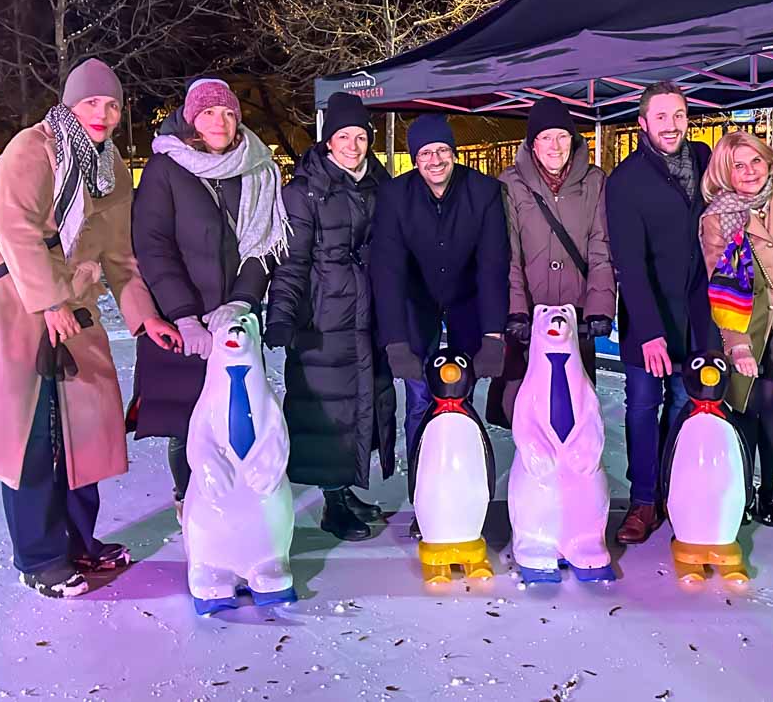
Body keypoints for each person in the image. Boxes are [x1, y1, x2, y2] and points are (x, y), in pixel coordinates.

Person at [0, 58, 180, 599]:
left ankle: (79, 539)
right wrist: (50, 301)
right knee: (28, 438)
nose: (103, 114)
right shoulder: (32, 148)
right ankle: (39, 558)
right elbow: (15, 229)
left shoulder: (114, 167)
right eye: (92, 103)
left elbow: (121, 257)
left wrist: (145, 317)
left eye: (113, 105)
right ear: (70, 104)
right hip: (13, 305)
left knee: (86, 426)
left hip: (71, 307)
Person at [130, 78, 289, 521]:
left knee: (239, 413)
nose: (219, 121)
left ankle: (242, 506)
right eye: (208, 113)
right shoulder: (166, 168)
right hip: (183, 320)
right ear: (190, 119)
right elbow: (153, 244)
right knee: (188, 419)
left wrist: (241, 301)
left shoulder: (258, 167)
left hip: (235, 318)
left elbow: (267, 244)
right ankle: (191, 503)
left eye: (227, 113)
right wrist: (184, 317)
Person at [369, 114, 510, 537]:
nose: (435, 159)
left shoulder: (483, 192)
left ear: (453, 153)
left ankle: (468, 496)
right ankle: (424, 500)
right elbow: (388, 270)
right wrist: (396, 341)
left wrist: (492, 335)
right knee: (419, 405)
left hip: (468, 306)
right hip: (417, 309)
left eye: (442, 151)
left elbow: (492, 265)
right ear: (414, 159)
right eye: (426, 153)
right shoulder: (396, 195)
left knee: (460, 404)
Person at [264, 92, 396, 541]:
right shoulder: (304, 192)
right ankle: (332, 503)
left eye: (360, 136)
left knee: (362, 405)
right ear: (329, 139)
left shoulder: (380, 184)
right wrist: (281, 313)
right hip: (323, 320)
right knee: (329, 413)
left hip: (369, 315)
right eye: (344, 136)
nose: (353, 145)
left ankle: (347, 490)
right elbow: (291, 261)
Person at [605, 81, 718, 545]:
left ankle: (676, 492)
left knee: (685, 405)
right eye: (662, 117)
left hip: (700, 315)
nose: (671, 125)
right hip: (648, 317)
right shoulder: (625, 181)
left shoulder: (708, 162)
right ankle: (644, 500)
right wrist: (650, 332)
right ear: (643, 123)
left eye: (679, 115)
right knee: (643, 407)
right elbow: (629, 265)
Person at [488, 98, 615, 428]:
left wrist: (599, 307)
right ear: (533, 143)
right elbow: (508, 252)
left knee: (574, 401)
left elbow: (601, 246)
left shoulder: (594, 182)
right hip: (531, 314)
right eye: (546, 137)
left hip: (575, 315)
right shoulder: (511, 183)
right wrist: (516, 310)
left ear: (573, 139)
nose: (555, 146)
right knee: (523, 403)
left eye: (562, 136)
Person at [699, 132, 773, 527]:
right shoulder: (717, 218)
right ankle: (741, 490)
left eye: (755, 161)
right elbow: (717, 284)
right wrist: (736, 343)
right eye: (738, 165)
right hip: (743, 324)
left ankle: (769, 492)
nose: (750, 171)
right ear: (725, 172)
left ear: (768, 160)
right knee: (743, 409)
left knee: (772, 407)